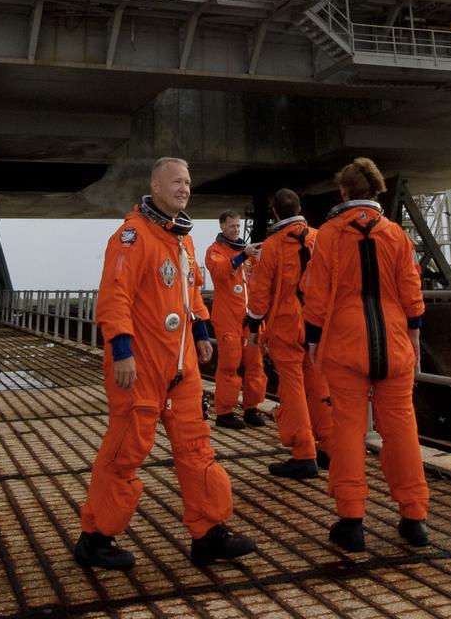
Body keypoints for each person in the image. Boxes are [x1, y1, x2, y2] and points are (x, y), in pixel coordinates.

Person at [75, 157, 258, 571]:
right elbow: (115, 295)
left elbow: (190, 292)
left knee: (196, 447)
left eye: (188, 182)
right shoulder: (132, 237)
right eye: (176, 181)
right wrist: (121, 350)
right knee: (126, 451)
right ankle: (95, 538)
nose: (184, 188)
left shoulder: (182, 240)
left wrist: (201, 333)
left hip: (182, 366)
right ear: (155, 185)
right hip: (139, 366)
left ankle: (208, 532)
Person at [302, 157, 430, 554]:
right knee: (402, 430)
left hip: (345, 345)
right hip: (393, 344)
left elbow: (317, 291)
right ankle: (414, 518)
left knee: (348, 431)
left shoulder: (328, 234)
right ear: (374, 191)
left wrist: (312, 337)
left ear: (343, 191)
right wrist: (413, 338)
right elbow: (412, 290)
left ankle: (353, 520)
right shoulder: (395, 234)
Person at [246, 188, 333, 479]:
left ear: (275, 213)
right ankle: (330, 447)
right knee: (320, 383)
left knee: (292, 388)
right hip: (317, 322)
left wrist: (255, 325)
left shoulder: (271, 247)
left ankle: (303, 453)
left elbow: (259, 294)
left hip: (286, 324)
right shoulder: (320, 237)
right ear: (299, 208)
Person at [205, 210, 267, 429]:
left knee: (255, 365)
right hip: (227, 319)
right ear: (222, 226)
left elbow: (259, 280)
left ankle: (251, 408)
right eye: (232, 226)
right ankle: (225, 412)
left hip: (249, 319)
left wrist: (259, 259)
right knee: (229, 365)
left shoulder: (247, 254)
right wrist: (243, 255)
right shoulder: (215, 251)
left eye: (238, 226)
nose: (236, 230)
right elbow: (221, 271)